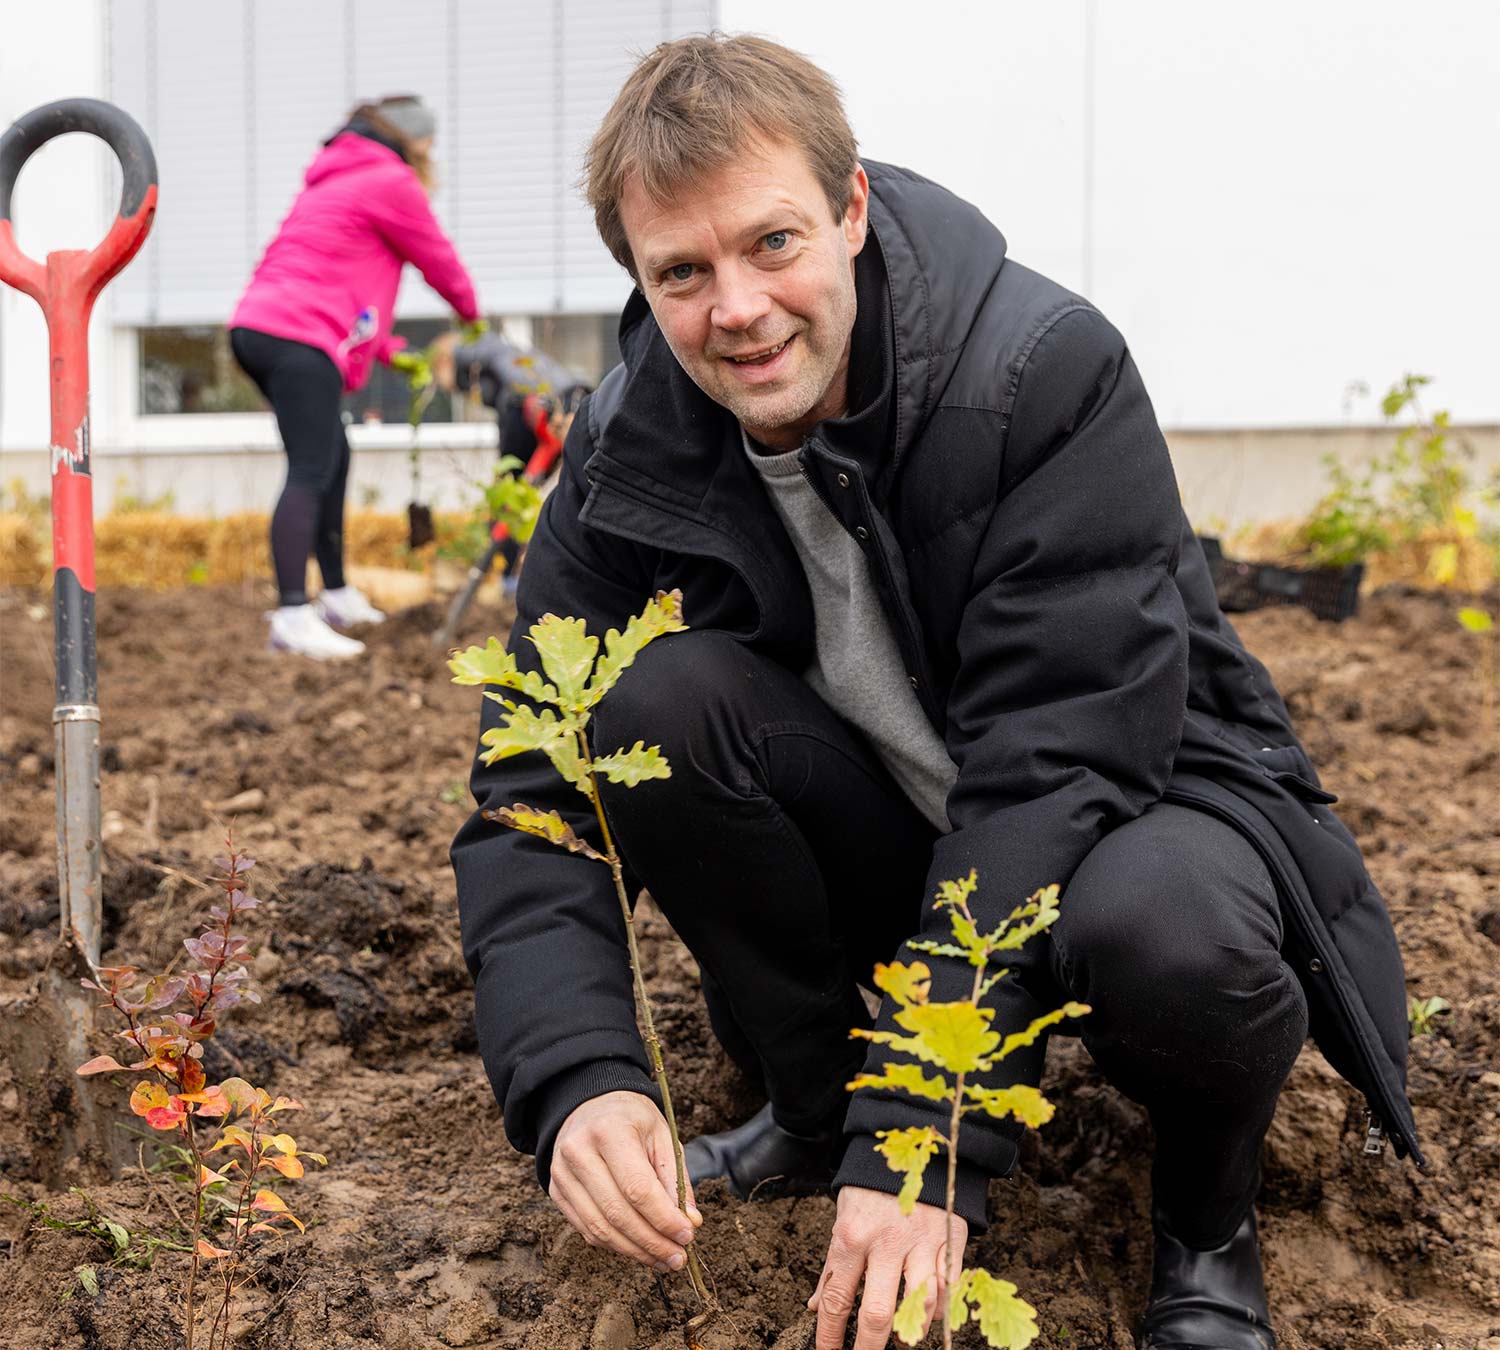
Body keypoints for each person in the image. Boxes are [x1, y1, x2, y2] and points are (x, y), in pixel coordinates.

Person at [451, 36, 1418, 1350]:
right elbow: (533, 791)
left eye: (774, 242)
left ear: (850, 210)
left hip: (1138, 809)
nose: (739, 308)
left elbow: (1051, 770)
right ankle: (811, 1112)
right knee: (646, 705)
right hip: (904, 829)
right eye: (683, 272)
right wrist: (578, 1077)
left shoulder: (1041, 374)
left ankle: (1205, 1220)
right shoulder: (631, 449)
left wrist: (923, 1133)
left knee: (1162, 934)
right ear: (642, 277)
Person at [230, 94, 480, 660]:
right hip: (298, 336)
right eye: (429, 142)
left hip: (263, 327)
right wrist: (474, 319)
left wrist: (388, 350)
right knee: (311, 466)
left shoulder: (333, 180)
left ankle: (336, 594)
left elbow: (334, 284)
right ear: (412, 140)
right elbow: (438, 260)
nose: (431, 153)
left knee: (332, 457)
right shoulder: (390, 180)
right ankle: (292, 615)